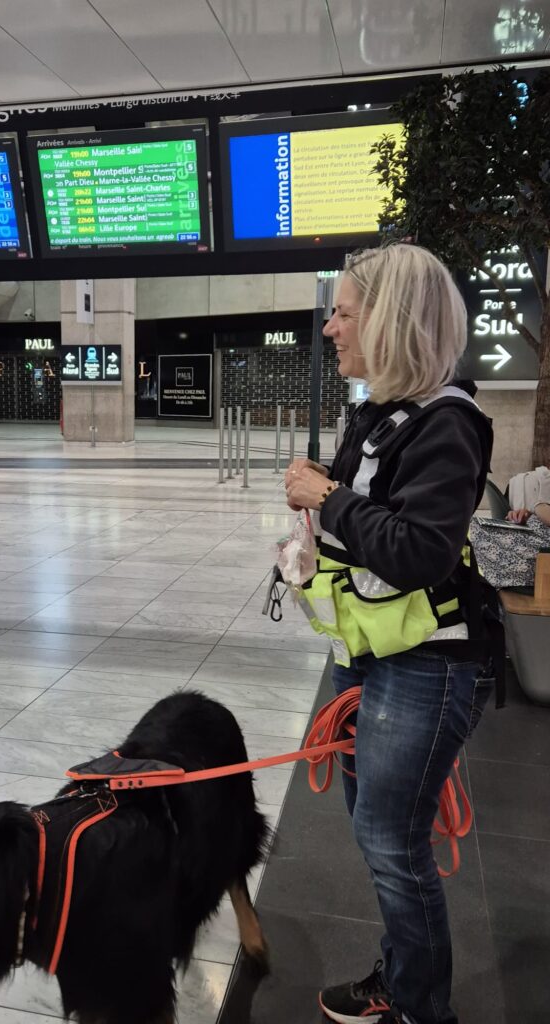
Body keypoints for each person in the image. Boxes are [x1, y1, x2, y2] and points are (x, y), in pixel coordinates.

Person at [284, 244, 497, 1024]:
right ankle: (403, 978)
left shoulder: (449, 423)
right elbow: (370, 531)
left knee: (392, 840)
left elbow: (419, 552)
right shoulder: (378, 411)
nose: (331, 327)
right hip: (371, 656)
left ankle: (417, 1007)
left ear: (393, 320)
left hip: (428, 664)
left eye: (344, 311)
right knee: (381, 836)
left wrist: (329, 497)